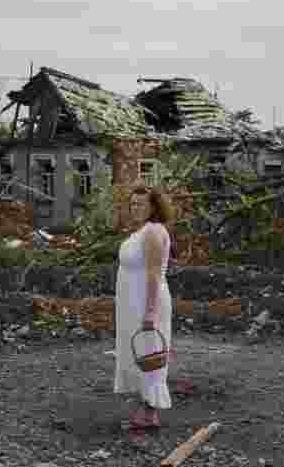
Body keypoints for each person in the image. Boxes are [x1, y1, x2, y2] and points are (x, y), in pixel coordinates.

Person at [113, 185, 177, 433]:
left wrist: (150, 312)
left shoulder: (152, 232)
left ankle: (150, 414)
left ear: (153, 206)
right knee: (141, 354)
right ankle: (145, 409)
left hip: (146, 302)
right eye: (133, 204)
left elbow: (153, 275)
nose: (135, 208)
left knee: (150, 355)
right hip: (133, 302)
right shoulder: (143, 231)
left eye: (140, 203)